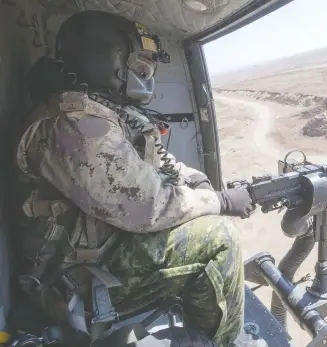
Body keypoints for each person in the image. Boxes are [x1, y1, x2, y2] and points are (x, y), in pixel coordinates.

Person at [13, 10, 254, 347]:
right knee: (219, 239)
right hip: (71, 279)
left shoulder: (105, 113)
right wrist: (220, 201)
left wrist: (196, 180)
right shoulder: (75, 124)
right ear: (102, 60)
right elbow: (145, 203)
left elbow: (152, 165)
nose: (146, 74)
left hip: (104, 247)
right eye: (139, 65)